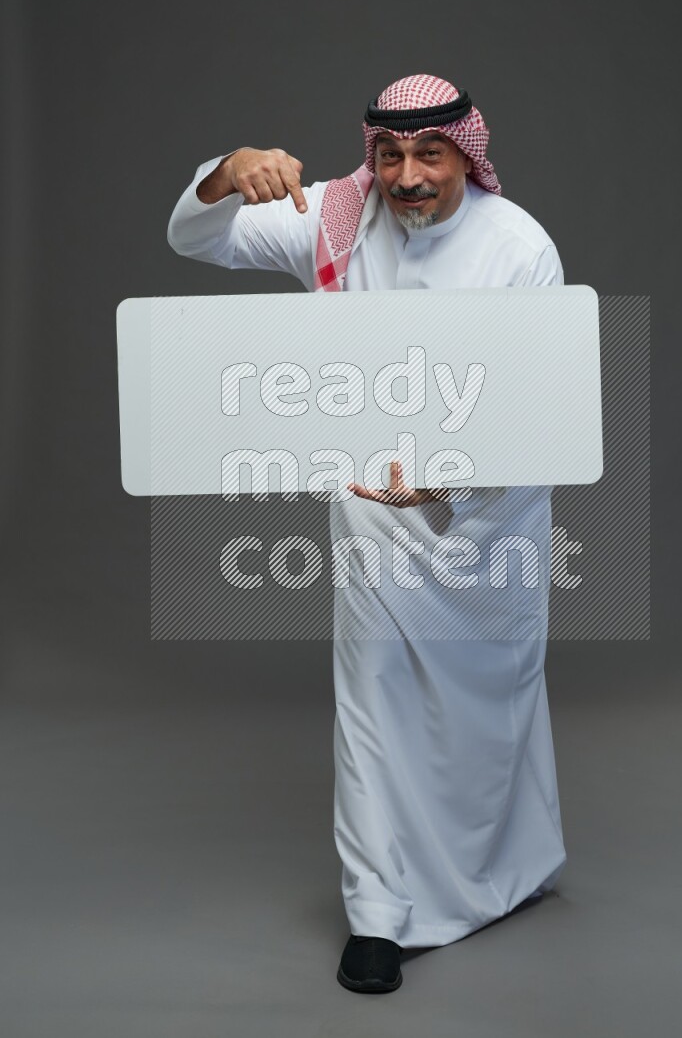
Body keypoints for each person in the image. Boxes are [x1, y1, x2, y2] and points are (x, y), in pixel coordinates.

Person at [167, 74, 567, 994]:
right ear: (371, 154)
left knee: (496, 707)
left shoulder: (520, 249)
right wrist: (225, 171)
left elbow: (543, 404)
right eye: (390, 154)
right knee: (377, 710)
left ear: (467, 153)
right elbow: (196, 237)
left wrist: (453, 479)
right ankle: (380, 914)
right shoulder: (335, 218)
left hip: (488, 523)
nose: (408, 176)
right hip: (371, 528)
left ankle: (512, 872)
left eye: (431, 154)